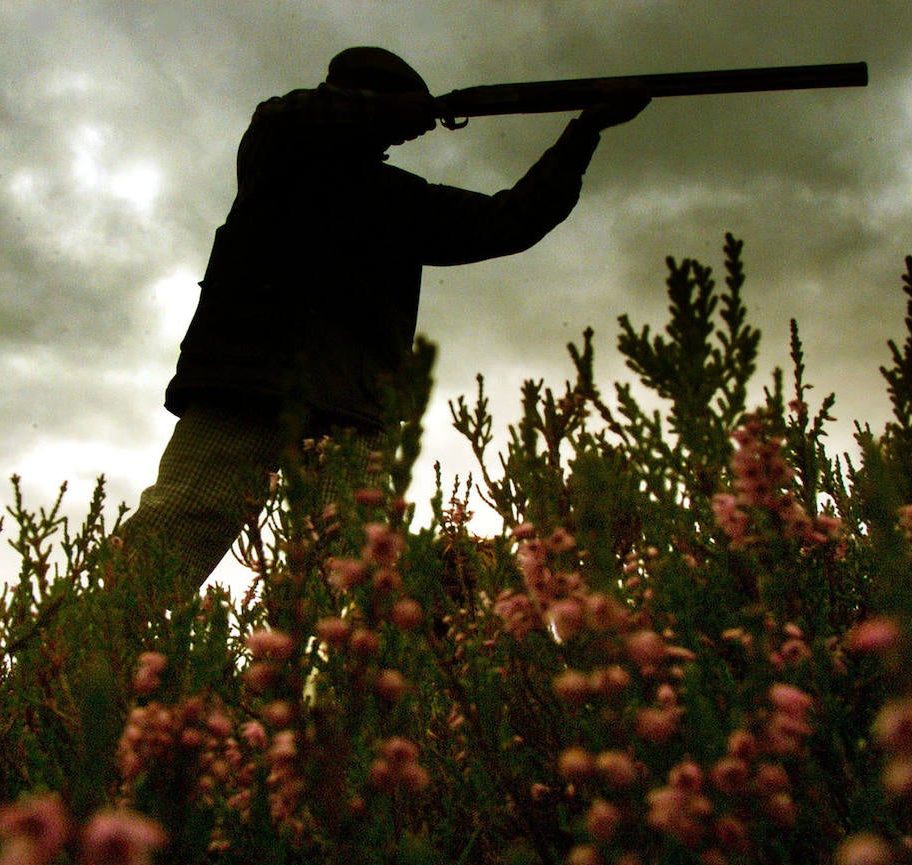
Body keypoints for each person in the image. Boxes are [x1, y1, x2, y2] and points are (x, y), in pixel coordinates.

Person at [120, 47, 648, 588]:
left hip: (347, 407)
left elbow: (510, 220)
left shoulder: (399, 198)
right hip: (249, 385)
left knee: (350, 574)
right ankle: (84, 660)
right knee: (170, 539)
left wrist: (585, 132)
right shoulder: (279, 147)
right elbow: (298, 113)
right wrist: (405, 110)